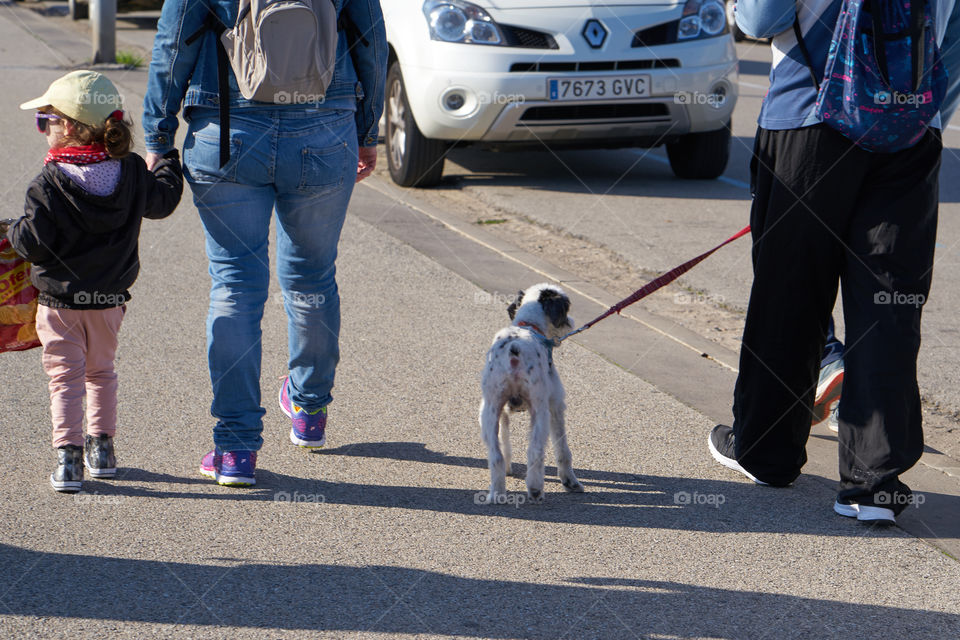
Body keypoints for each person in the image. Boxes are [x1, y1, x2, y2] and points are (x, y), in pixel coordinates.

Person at [709, 0, 959, 525]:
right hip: (909, 132)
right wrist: (919, 110)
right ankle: (874, 486)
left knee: (790, 292)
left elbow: (759, 19)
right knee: (887, 305)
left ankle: (766, 452)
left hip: (808, 118)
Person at [143, 0, 387, 487]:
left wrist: (158, 135)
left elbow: (172, 46)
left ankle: (235, 449)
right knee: (312, 277)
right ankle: (309, 409)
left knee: (235, 286)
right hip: (323, 128)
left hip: (227, 131)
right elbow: (372, 42)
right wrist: (365, 131)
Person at [6, 70, 183, 493]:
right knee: (101, 373)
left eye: (45, 120)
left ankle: (68, 462)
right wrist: (168, 164)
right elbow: (163, 202)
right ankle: (101, 451)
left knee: (65, 379)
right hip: (109, 299)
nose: (43, 128)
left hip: (59, 303)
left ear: (67, 126)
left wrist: (13, 229)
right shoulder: (131, 173)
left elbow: (31, 244)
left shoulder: (48, 185)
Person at [810, 0, 960, 435]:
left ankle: (822, 365)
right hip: (907, 131)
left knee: (796, 263)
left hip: (823, 120)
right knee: (885, 280)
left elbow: (763, 19)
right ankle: (866, 424)